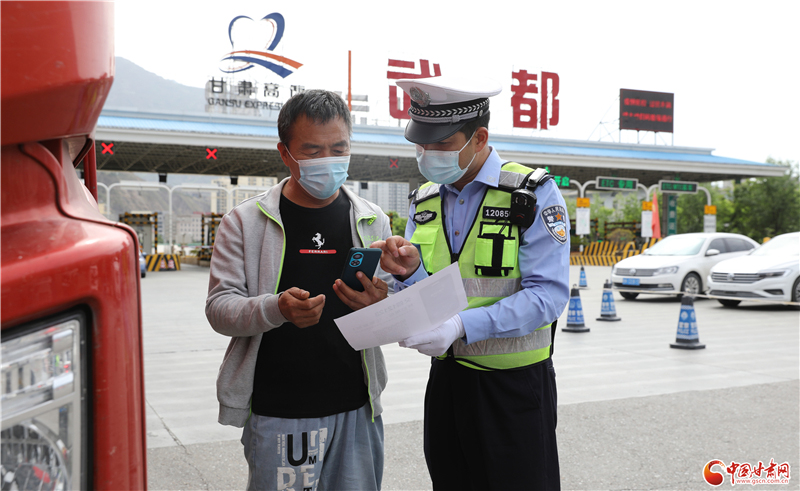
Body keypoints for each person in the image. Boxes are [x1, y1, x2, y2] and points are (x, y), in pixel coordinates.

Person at [371, 76, 570, 490]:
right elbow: (433, 293)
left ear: (479, 138)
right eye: (421, 144)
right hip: (447, 382)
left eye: (442, 143)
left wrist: (462, 325)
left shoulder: (531, 194)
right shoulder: (425, 200)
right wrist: (408, 273)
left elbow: (547, 296)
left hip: (513, 389)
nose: (428, 154)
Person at [206, 89, 393, 491]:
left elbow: (391, 307)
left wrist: (381, 302)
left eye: (339, 149)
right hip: (281, 410)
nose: (328, 160)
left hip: (357, 408)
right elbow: (219, 309)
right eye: (312, 151)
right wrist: (276, 309)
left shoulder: (371, 219)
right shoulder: (245, 222)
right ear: (285, 153)